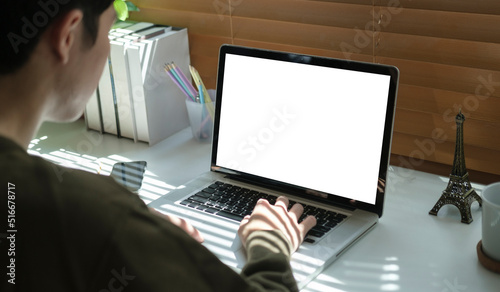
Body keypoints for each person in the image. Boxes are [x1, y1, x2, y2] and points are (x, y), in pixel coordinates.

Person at [0, 1, 317, 291]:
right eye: (110, 30)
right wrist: (269, 248)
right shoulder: (88, 212)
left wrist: (127, 231)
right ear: (68, 36)